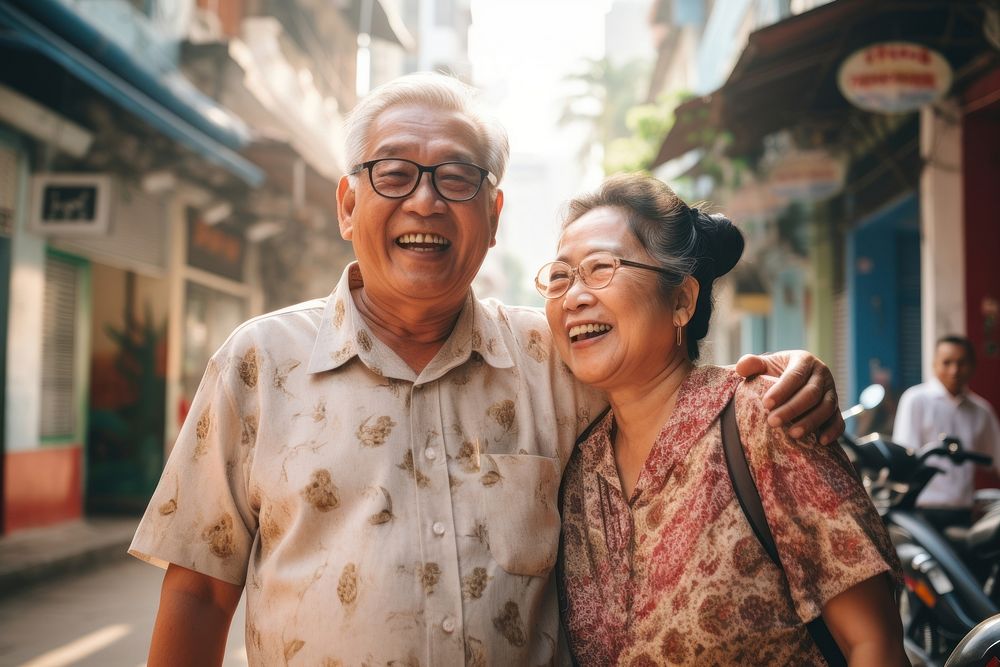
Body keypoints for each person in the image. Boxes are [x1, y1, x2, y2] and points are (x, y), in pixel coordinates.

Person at [130, 73, 845, 666]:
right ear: (349, 203)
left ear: (494, 214)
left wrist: (780, 376)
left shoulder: (556, 360)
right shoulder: (258, 365)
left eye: (457, 177)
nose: (425, 199)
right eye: (395, 172)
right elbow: (198, 594)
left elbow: (670, 387)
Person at [545, 174, 906, 665]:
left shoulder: (762, 418)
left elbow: (873, 645)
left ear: (681, 301)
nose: (572, 298)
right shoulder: (581, 469)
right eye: (561, 276)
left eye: (600, 268)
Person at [892, 335, 1000, 528]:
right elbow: (904, 455)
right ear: (934, 364)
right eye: (947, 362)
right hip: (921, 512)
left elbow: (996, 459)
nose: (954, 370)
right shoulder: (915, 400)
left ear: (973, 366)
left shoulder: (982, 411)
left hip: (963, 514)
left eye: (961, 363)